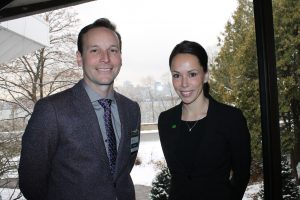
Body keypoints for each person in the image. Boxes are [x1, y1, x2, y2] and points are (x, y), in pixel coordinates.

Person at [18, 18, 141, 200]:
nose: (105, 58)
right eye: (94, 50)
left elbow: (123, 167)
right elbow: (31, 182)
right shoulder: (51, 110)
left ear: (120, 57)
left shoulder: (131, 109)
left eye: (113, 50)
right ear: (79, 58)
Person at [158, 40, 251, 200]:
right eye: (177, 75)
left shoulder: (230, 118)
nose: (184, 83)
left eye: (192, 74)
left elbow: (241, 175)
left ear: (206, 75)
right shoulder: (166, 120)